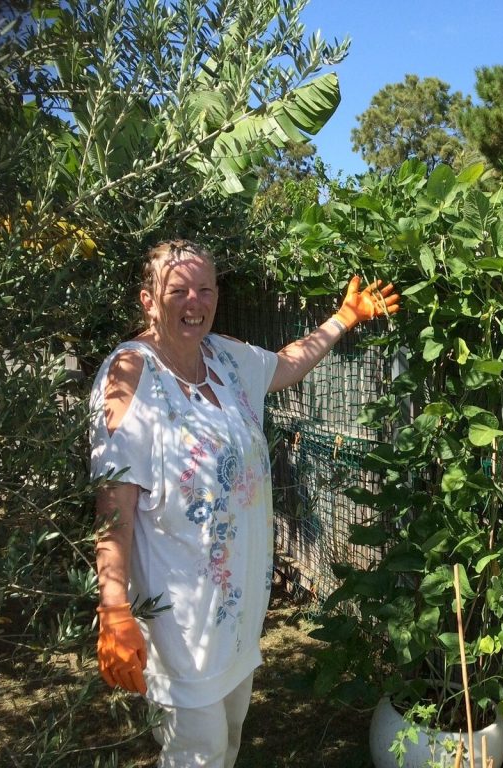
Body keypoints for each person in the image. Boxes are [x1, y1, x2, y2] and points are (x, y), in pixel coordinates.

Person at [90, 239, 400, 767]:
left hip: (234, 615)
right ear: (148, 300)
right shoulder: (130, 373)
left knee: (229, 740)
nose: (195, 301)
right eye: (179, 290)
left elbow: (286, 365)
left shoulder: (223, 357)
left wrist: (344, 318)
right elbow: (113, 503)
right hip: (177, 620)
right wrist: (113, 605)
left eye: (205, 289)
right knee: (197, 752)